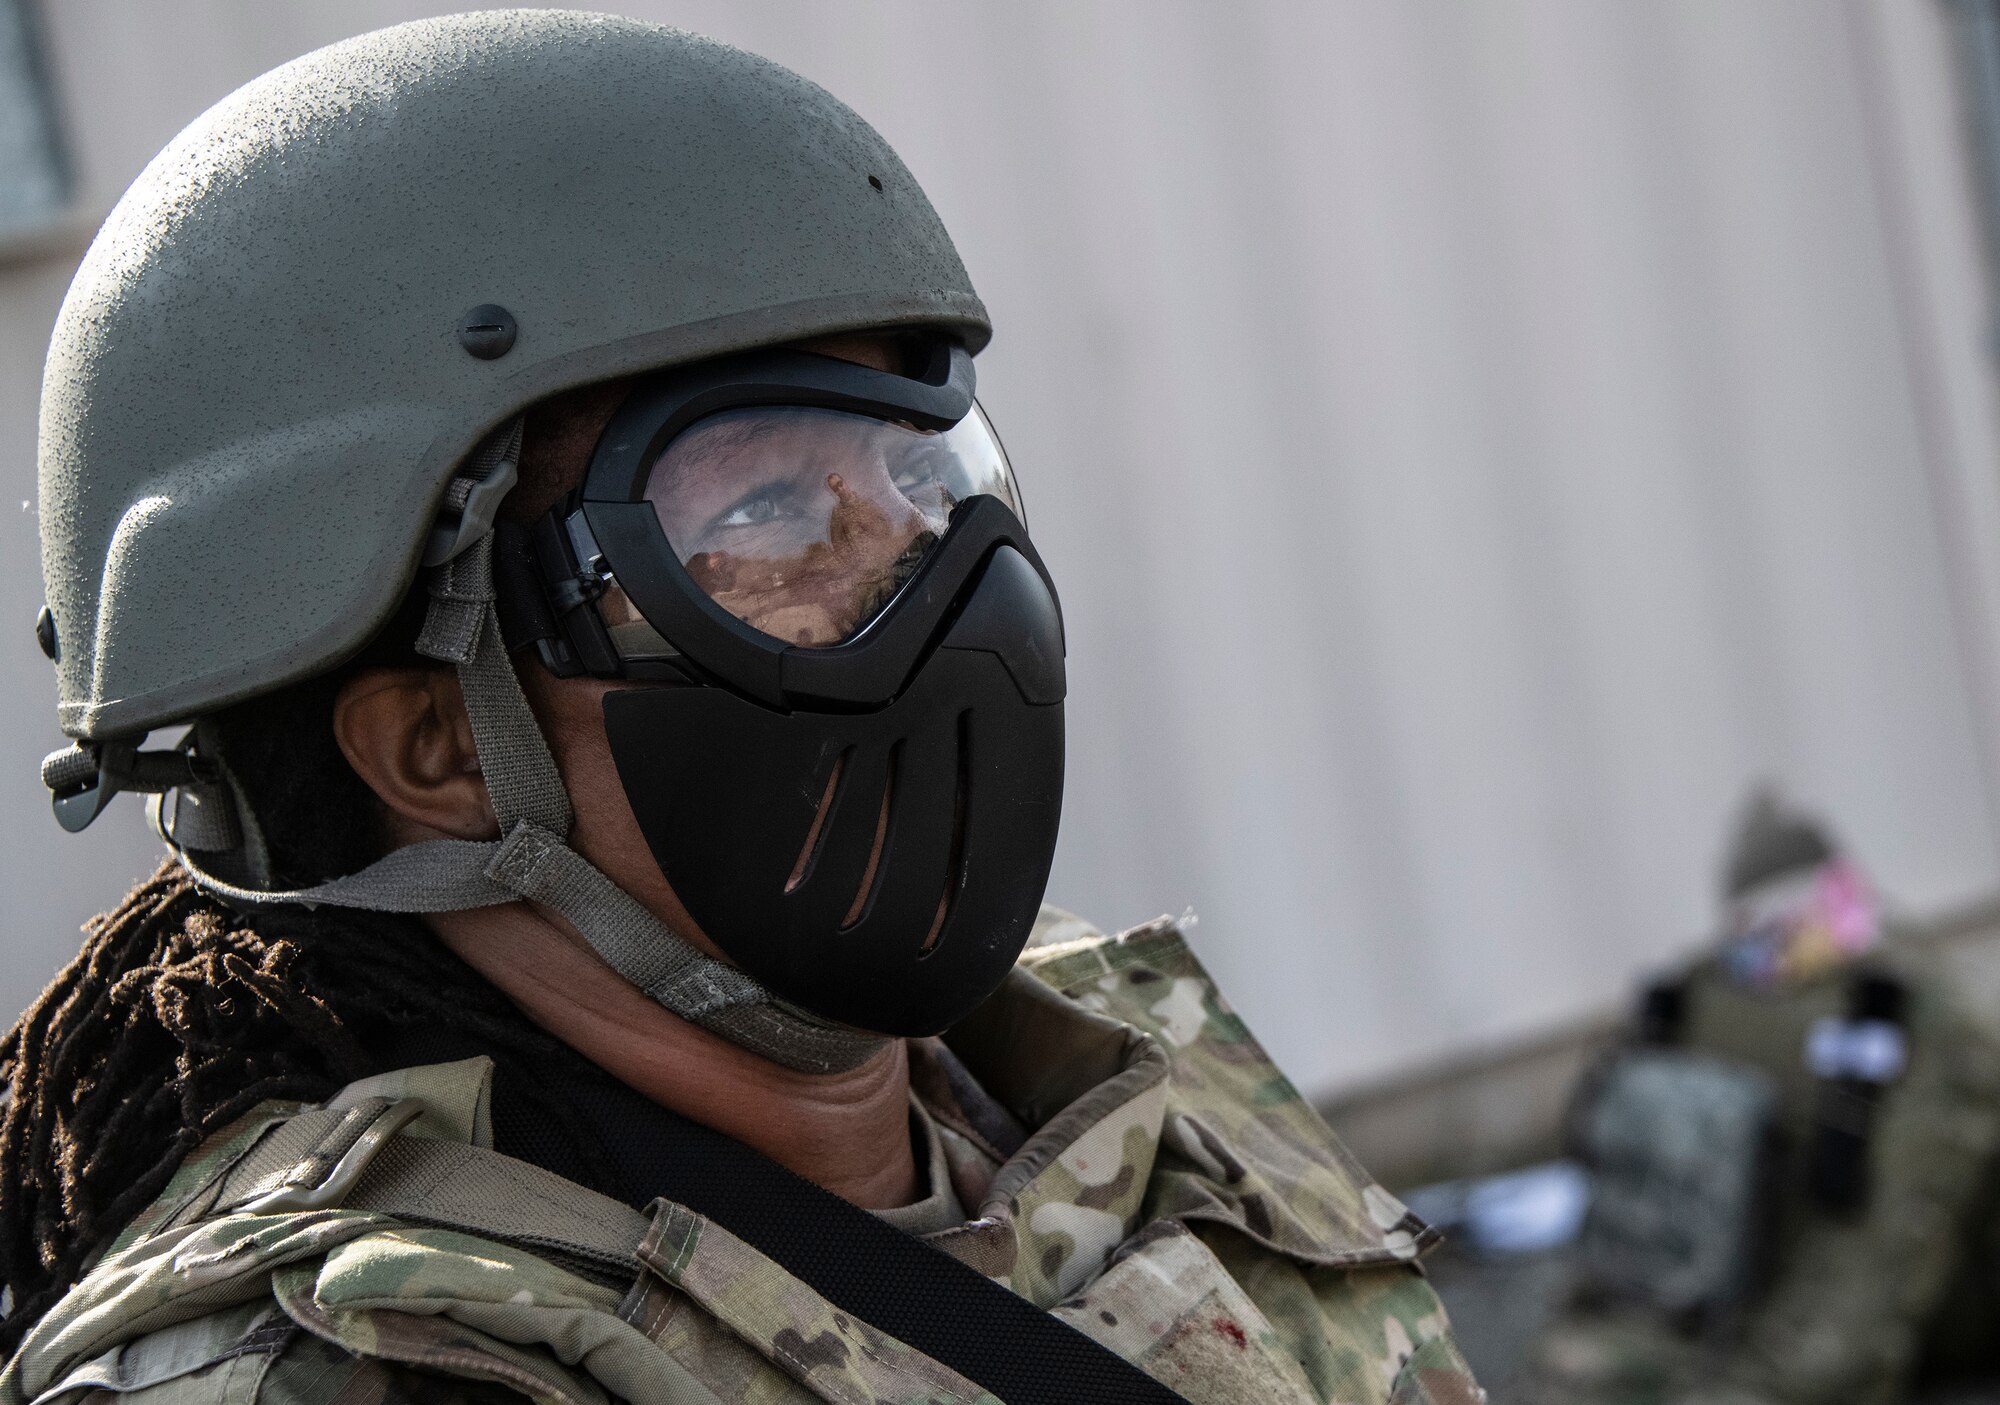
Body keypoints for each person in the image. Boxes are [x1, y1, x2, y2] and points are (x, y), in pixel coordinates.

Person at [0, 14, 1482, 1405]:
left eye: (921, 477)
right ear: (439, 748)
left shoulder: (1115, 1052)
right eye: (771, 519)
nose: (938, 583)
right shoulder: (372, 1359)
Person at [1521, 791, 2000, 1405]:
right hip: (1737, 1327)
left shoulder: (1918, 1020)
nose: (1775, 946)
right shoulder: (1703, 1001)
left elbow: (1870, 1265)